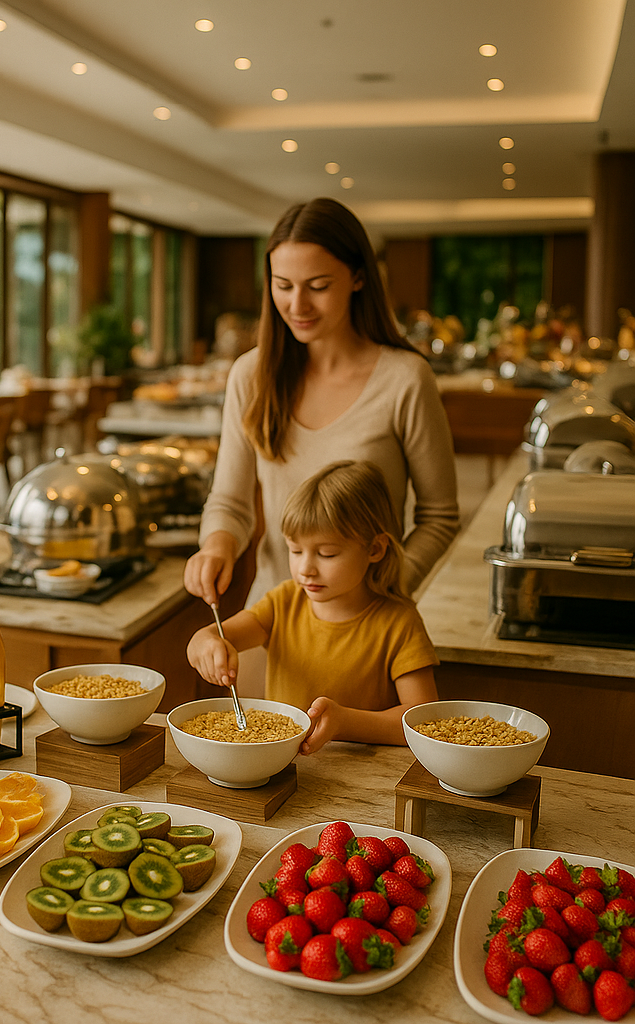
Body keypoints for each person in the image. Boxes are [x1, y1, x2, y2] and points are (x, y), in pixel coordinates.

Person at [184, 198, 458, 692]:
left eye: (318, 286)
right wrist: (217, 545)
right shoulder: (252, 374)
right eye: (283, 286)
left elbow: (439, 517)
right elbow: (230, 501)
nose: (298, 305)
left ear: (358, 278)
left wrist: (383, 593)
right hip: (271, 626)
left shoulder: (405, 379)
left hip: (367, 634)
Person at [186, 460, 439, 755]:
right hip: (285, 766)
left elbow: (424, 721)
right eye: (295, 550)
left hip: (363, 774)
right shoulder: (283, 602)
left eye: (326, 553)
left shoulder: (399, 623)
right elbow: (213, 637)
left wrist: (345, 722)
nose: (306, 569)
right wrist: (204, 643)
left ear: (374, 549)